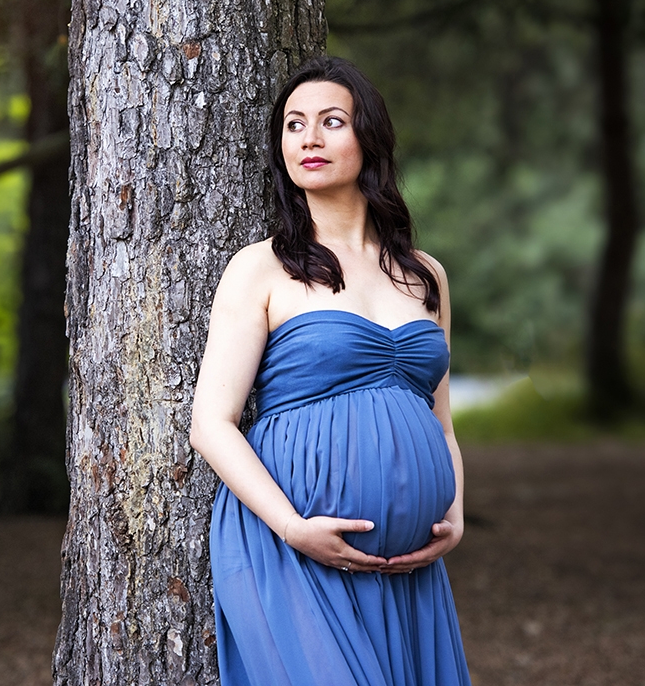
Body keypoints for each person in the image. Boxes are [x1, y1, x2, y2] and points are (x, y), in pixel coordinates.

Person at [189, 56, 472, 685]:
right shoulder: (261, 268)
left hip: (411, 570)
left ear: (368, 138)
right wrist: (294, 529)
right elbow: (211, 423)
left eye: (330, 121)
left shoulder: (425, 275)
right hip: (295, 552)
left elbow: (441, 422)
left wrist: (453, 512)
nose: (308, 138)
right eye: (293, 125)